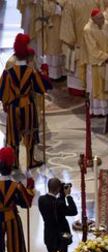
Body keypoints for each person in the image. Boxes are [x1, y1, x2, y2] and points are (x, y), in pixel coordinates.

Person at [0, 34, 49, 169]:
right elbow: (42, 87)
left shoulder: (8, 71)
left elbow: (2, 89)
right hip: (27, 105)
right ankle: (30, 161)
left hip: (13, 106)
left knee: (14, 134)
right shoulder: (30, 71)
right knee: (30, 133)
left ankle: (15, 162)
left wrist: (6, 102)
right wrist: (44, 75)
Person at [0, 147, 35, 252]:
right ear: (11, 166)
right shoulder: (16, 186)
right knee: (16, 251)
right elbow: (27, 203)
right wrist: (30, 182)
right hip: (12, 219)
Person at [60, 0, 105, 96]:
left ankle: (79, 89)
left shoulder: (70, 3)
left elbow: (67, 28)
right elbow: (103, 18)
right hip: (94, 40)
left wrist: (70, 40)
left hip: (78, 43)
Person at [84, 8, 108, 116]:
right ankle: (99, 110)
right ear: (93, 19)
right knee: (98, 87)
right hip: (98, 63)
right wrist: (105, 57)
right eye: (100, 18)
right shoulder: (88, 29)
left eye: (103, 18)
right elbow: (92, 49)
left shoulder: (107, 24)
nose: (102, 20)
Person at [38, 178, 77, 252]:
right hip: (60, 238)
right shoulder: (59, 204)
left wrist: (61, 194)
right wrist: (68, 196)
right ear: (59, 189)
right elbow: (73, 211)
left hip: (48, 236)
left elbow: (56, 204)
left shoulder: (41, 200)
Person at [35, 0, 65, 80]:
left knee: (60, 48)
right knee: (53, 48)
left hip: (61, 24)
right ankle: (54, 75)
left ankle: (62, 72)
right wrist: (57, 7)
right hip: (51, 25)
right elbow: (45, 8)